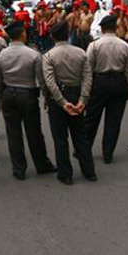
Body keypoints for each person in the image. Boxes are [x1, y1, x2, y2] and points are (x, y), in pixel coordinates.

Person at [0, 21, 56, 180]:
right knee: (34, 132)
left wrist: (0, 97)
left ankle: (19, 169)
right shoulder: (33, 54)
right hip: (27, 94)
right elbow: (41, 80)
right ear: (22, 34)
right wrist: (46, 96)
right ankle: (42, 164)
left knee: (13, 134)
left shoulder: (1, 55)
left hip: (8, 93)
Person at [43, 21, 96, 185]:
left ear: (52, 37)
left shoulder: (49, 56)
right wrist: (83, 100)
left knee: (60, 138)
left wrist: (61, 102)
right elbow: (88, 77)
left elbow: (49, 82)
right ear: (68, 34)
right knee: (80, 136)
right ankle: (89, 172)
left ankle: (65, 174)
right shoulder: (81, 53)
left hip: (58, 98)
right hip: (76, 93)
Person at [84, 14, 128, 163]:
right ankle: (108, 153)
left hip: (99, 82)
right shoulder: (125, 46)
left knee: (91, 118)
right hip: (119, 83)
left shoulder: (94, 45)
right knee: (114, 121)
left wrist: (86, 89)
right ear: (116, 28)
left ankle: (84, 148)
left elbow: (88, 68)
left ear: (102, 28)